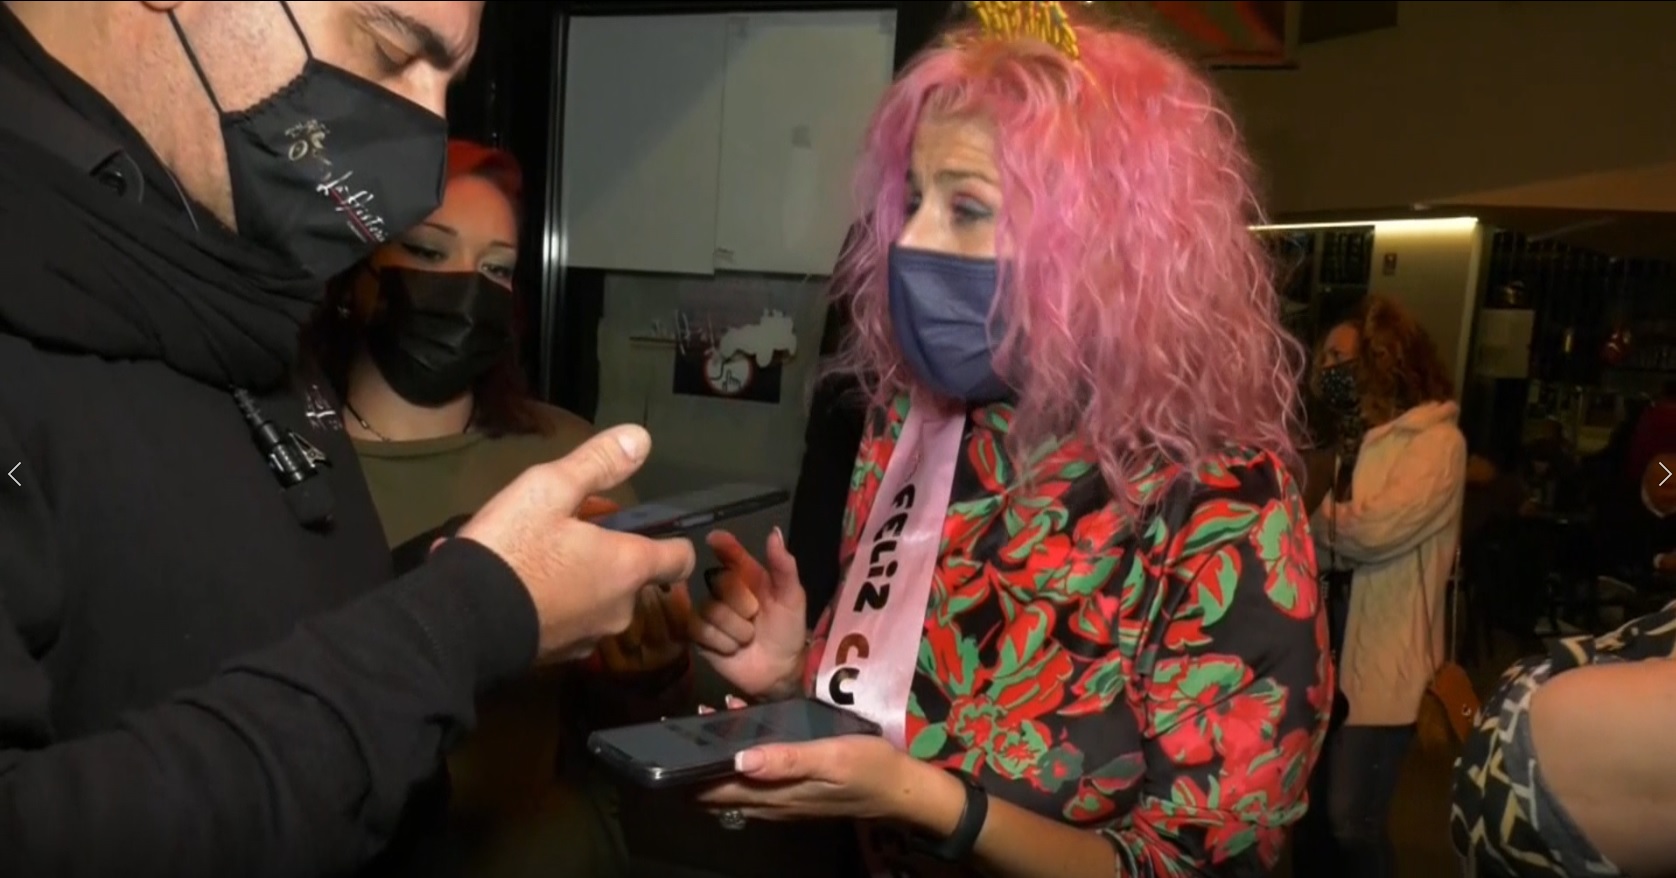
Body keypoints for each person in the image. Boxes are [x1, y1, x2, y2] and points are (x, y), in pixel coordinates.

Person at [0, 3, 694, 876]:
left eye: (450, 82)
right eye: (391, 48)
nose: (424, 134)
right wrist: (475, 614)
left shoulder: (234, 303)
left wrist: (483, 570)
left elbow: (239, 621)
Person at [686, 5, 1331, 876]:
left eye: (966, 207)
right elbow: (902, 712)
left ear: (1104, 244)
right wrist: (793, 676)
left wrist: (926, 802)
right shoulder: (910, 427)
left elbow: (1197, 863)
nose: (909, 242)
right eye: (913, 201)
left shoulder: (1223, 502)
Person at [304, 138, 692, 876]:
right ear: (356, 272)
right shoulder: (279, 457)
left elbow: (639, 741)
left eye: (496, 270)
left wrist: (652, 675)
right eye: (428, 251)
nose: (465, 288)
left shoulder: (569, 463)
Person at [1291, 294, 1466, 878]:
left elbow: (1375, 531)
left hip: (1386, 660)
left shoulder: (1435, 443)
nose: (1327, 370)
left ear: (1382, 363)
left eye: (1340, 358)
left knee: (1352, 819)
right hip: (1323, 655)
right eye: (1323, 359)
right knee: (1311, 820)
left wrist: (1311, 519)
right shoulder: (1341, 441)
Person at [1451, 466, 1676, 878]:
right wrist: (1660, 560)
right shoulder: (1624, 509)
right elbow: (1618, 554)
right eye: (1666, 481)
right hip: (1617, 590)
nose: (1672, 489)